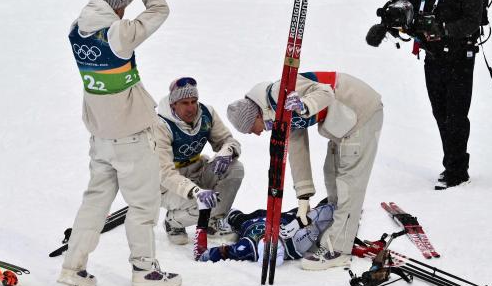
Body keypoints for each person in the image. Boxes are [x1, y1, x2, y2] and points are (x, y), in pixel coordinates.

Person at [58, 0, 181, 286]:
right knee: (142, 206)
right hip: (131, 137)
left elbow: (106, 4)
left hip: (99, 137)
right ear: (119, 9)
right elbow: (159, 12)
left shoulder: (76, 30)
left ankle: (73, 267)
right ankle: (145, 272)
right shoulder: (118, 33)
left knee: (94, 204)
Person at [227, 71, 383, 270]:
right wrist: (303, 198)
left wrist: (304, 106)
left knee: (348, 184)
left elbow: (325, 92)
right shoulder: (277, 115)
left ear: (255, 115)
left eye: (251, 128)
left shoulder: (278, 92)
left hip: (361, 112)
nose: (257, 133)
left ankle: (337, 249)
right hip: (344, 124)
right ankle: (340, 229)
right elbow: (297, 149)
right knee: (331, 174)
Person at [407, 0, 483, 190]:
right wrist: (387, 20)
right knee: (440, 113)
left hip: (461, 57)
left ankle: (457, 170)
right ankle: (450, 163)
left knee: (456, 115)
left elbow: (473, 21)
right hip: (433, 57)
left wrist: (445, 30)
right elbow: (408, 2)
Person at [156, 77, 244, 245]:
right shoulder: (161, 125)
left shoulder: (206, 114)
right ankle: (173, 221)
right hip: (166, 183)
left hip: (197, 169)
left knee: (235, 168)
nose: (191, 108)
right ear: (173, 104)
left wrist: (227, 151)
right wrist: (195, 191)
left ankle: (213, 223)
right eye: (184, 103)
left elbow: (228, 140)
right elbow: (165, 173)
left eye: (194, 101)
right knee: (203, 203)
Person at [197, 201, 336, 265]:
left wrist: (202, 217)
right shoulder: (297, 243)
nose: (267, 238)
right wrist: (341, 213)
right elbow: (324, 214)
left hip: (250, 220)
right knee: (307, 212)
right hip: (285, 218)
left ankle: (228, 219)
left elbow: (202, 255)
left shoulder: (246, 248)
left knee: (234, 216)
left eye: (265, 241)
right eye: (276, 243)